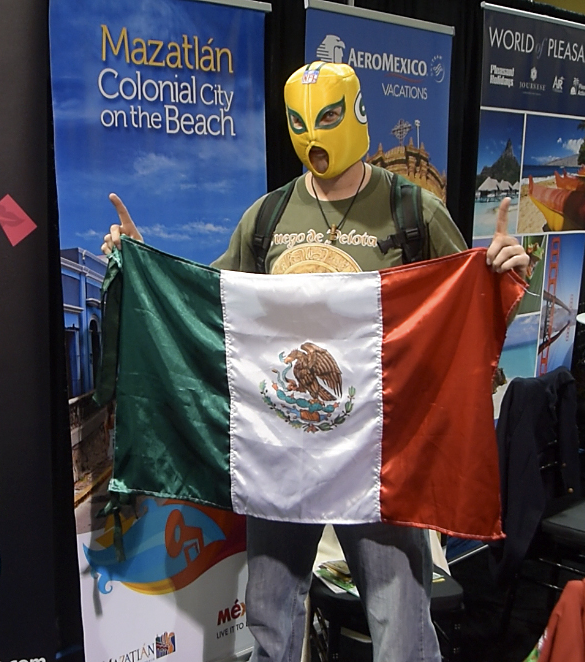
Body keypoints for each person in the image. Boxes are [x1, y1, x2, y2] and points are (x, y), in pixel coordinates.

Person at [102, 62, 528, 662]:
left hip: (380, 450)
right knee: (271, 623)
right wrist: (146, 266)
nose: (314, 136)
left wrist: (503, 276)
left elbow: (466, 317)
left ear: (355, 113)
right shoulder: (267, 218)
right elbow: (209, 310)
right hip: (282, 450)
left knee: (401, 628)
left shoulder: (413, 211)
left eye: (327, 117)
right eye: (300, 122)